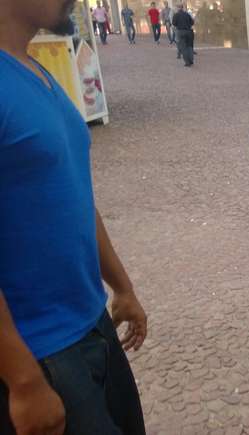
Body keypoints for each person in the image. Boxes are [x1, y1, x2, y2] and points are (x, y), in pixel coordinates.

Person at [0, 1, 148, 433]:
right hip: (39, 354)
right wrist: (23, 380)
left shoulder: (36, 71)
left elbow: (74, 196)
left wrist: (122, 286)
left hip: (93, 326)